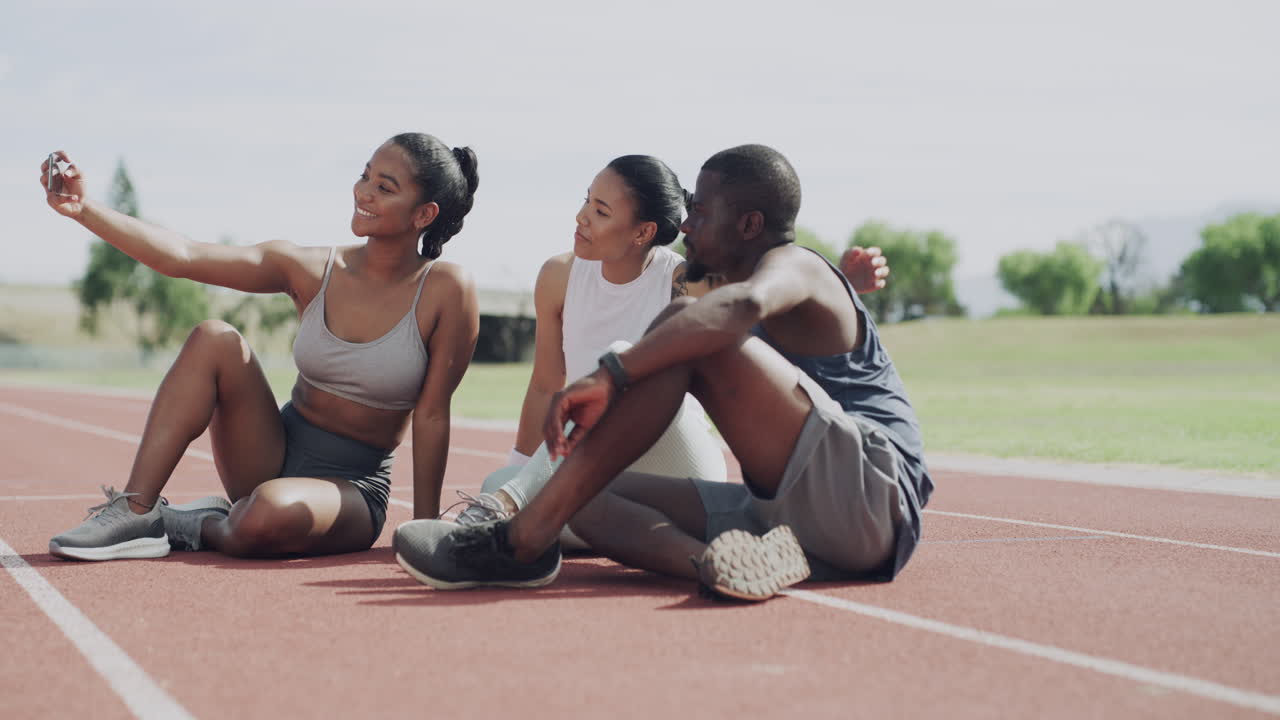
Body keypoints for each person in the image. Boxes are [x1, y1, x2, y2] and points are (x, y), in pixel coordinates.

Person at [392, 144, 930, 600]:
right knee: (582, 498)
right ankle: (720, 564)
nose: (687, 223)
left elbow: (739, 307)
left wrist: (612, 373)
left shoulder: (797, 264)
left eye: (700, 211)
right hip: (789, 516)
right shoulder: (742, 289)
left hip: (874, 490)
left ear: (749, 225)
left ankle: (517, 545)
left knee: (681, 326)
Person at [42, 133, 480, 561]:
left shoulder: (447, 290)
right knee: (214, 338)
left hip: (352, 490)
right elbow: (184, 257)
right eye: (365, 176)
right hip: (268, 452)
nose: (363, 192)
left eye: (384, 188)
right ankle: (137, 511)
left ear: (424, 214)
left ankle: (190, 523)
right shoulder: (311, 268)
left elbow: (432, 414)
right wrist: (85, 210)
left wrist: (425, 532)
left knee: (269, 512)